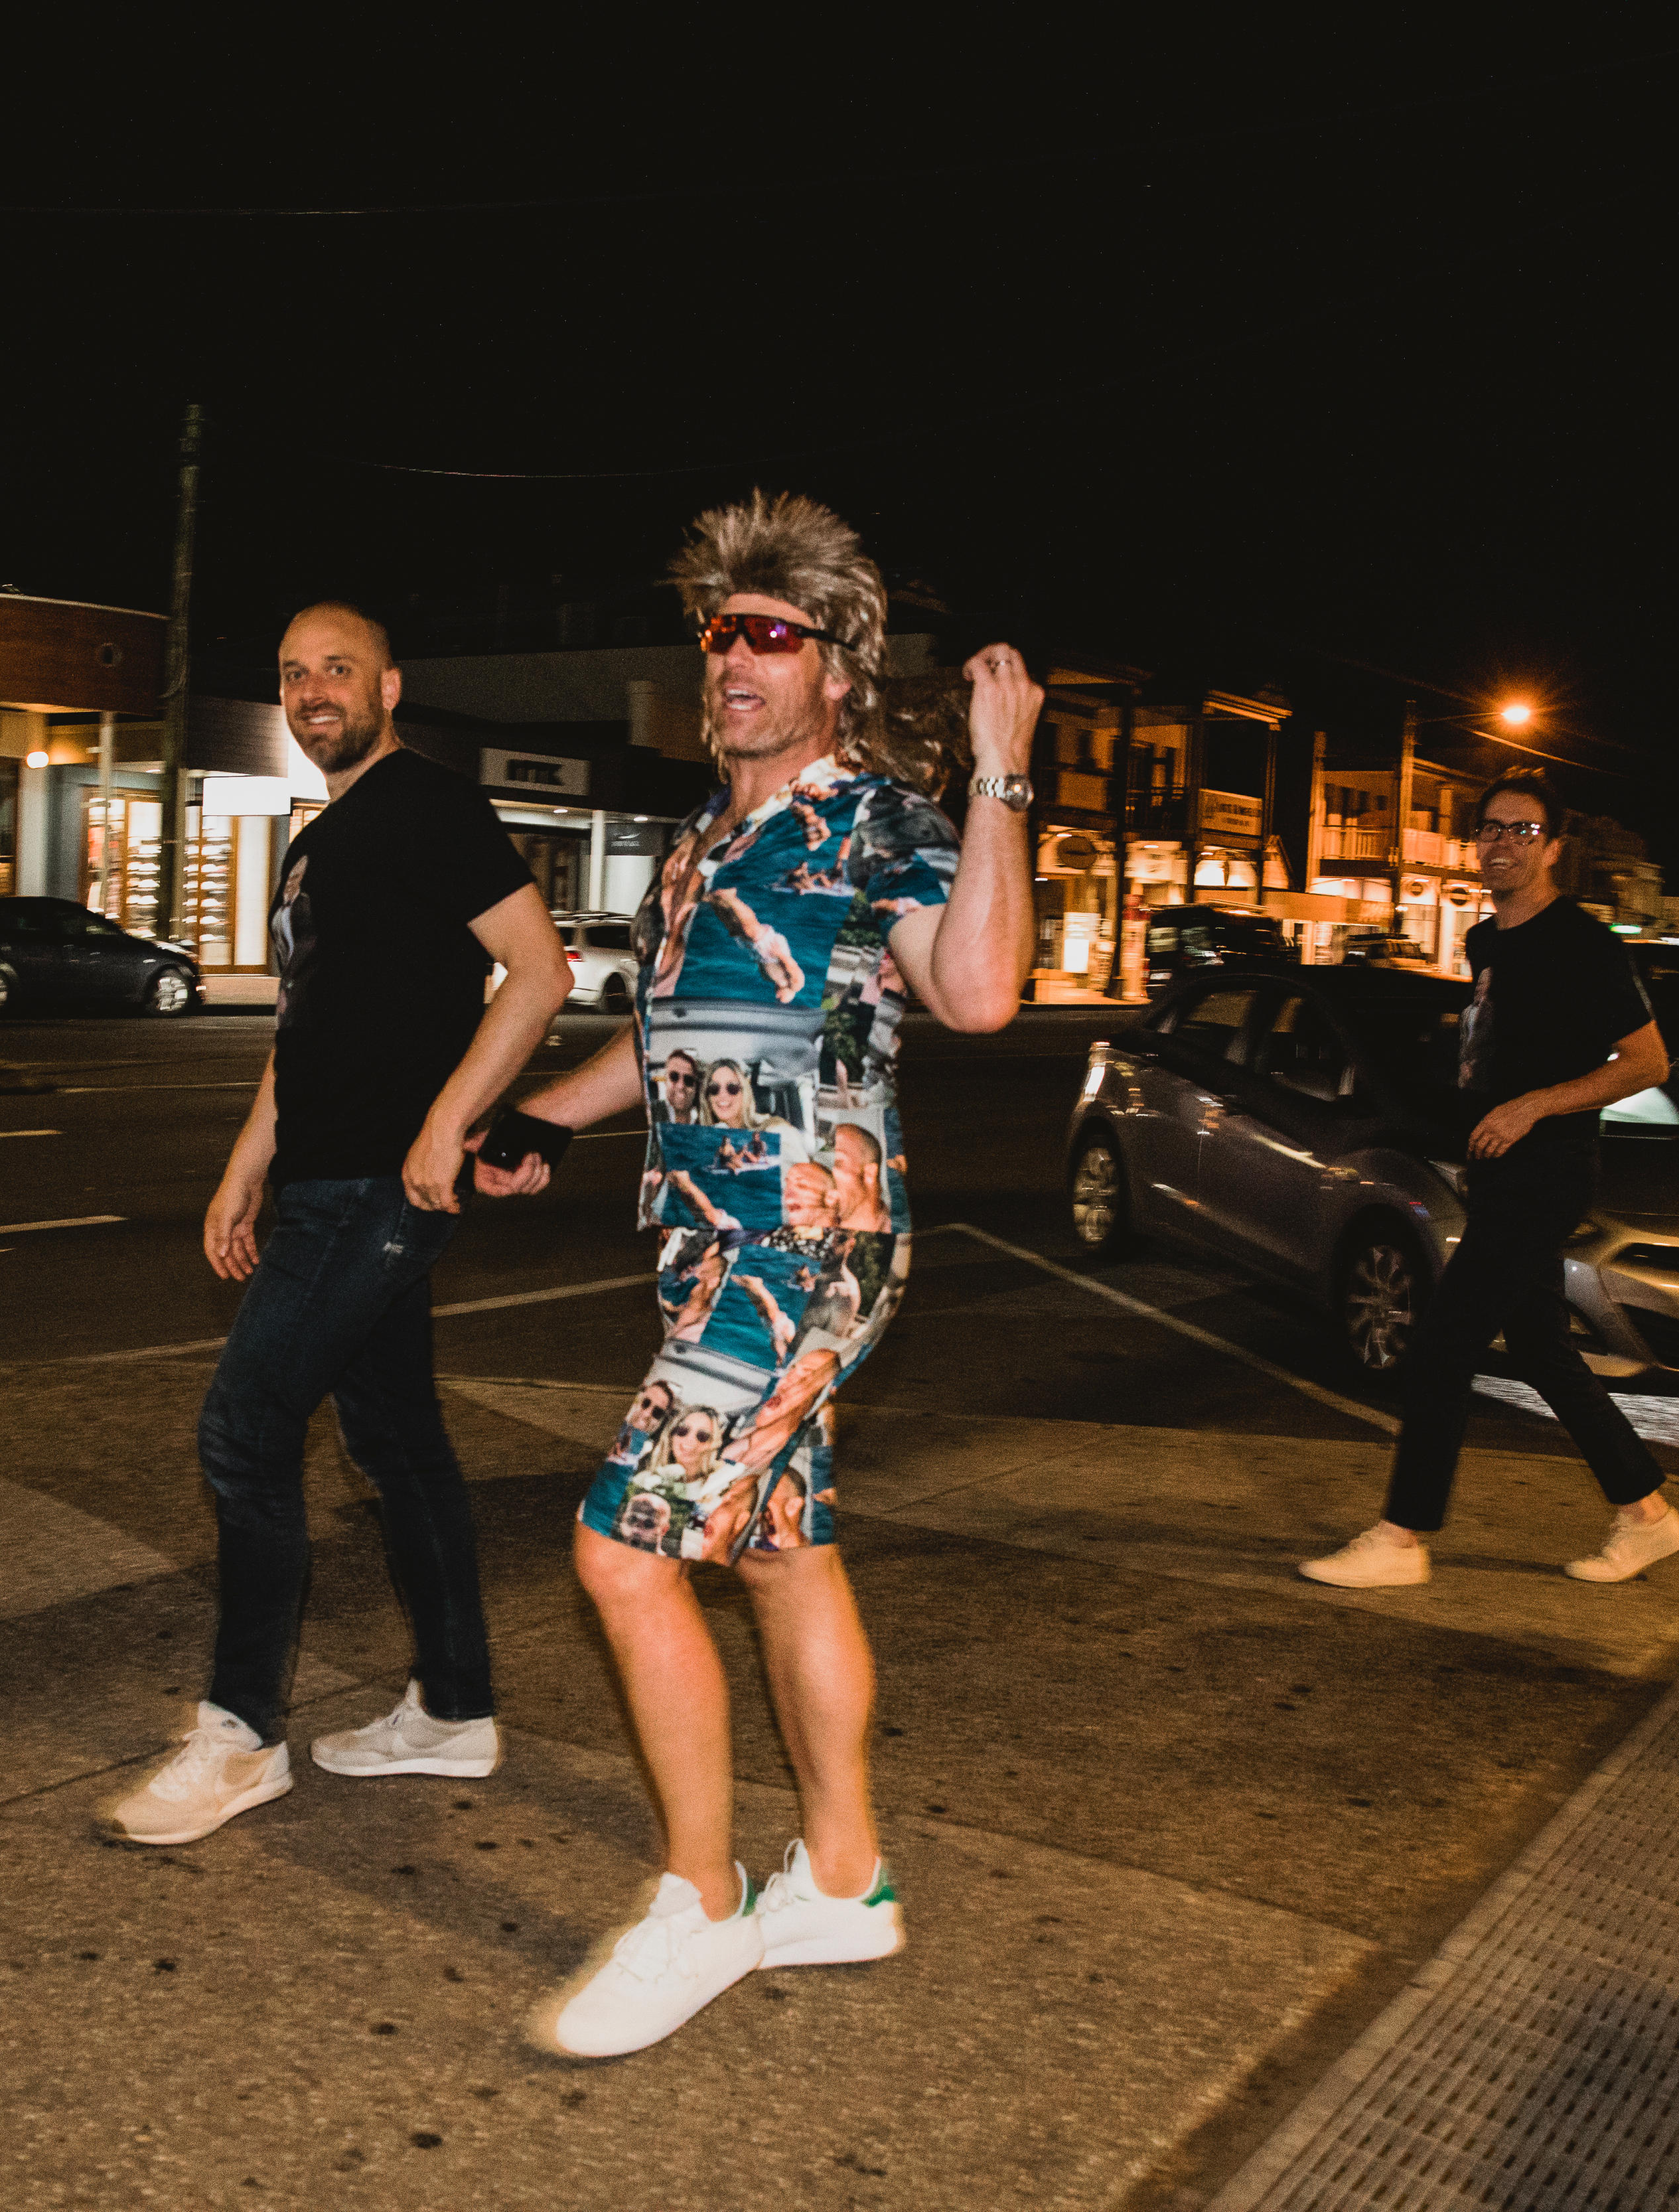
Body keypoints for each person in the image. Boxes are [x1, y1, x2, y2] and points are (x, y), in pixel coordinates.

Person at [473, 492, 1035, 2057]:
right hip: (708, 1240)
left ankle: (698, 1901)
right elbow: (670, 1051)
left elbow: (979, 990)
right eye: (720, 630)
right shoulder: (700, 843)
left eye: (770, 635)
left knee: (625, 1551)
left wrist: (999, 768)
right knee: (781, 1552)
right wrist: (544, 1117)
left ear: (834, 670)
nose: (733, 659)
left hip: (808, 1242)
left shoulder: (881, 825)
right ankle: (845, 1884)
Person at [92, 602, 572, 1847]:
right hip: (322, 1175)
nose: (313, 690)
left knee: (246, 1429)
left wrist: (446, 1122)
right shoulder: (327, 837)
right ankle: (456, 1707)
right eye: (295, 670)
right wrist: (244, 1166)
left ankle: (242, 1733)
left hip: (377, 1186)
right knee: (399, 1441)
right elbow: (301, 1027)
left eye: (337, 669)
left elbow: (541, 969)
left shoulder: (427, 803)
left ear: (390, 684)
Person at [1301, 770, 1679, 1590]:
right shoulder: (1486, 942)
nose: (1501, 843)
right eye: (1490, 829)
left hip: (1546, 1172)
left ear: (1551, 848)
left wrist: (1532, 1109)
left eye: (1521, 831)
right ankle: (1646, 1513)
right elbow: (1486, 1061)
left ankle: (1401, 1537)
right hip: (1497, 1171)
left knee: (1441, 1343)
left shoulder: (1582, 943)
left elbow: (1647, 1063)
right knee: (1543, 1345)